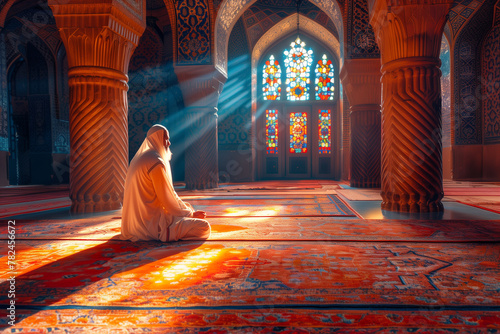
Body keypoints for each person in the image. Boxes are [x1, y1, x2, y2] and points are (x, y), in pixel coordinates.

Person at [121, 124, 210, 242]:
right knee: (204, 227)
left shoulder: (142, 157)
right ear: (157, 138)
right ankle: (168, 233)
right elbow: (167, 199)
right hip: (150, 225)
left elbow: (169, 194)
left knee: (186, 206)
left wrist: (187, 212)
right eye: (166, 139)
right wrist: (190, 215)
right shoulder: (155, 161)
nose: (169, 143)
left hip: (133, 225)